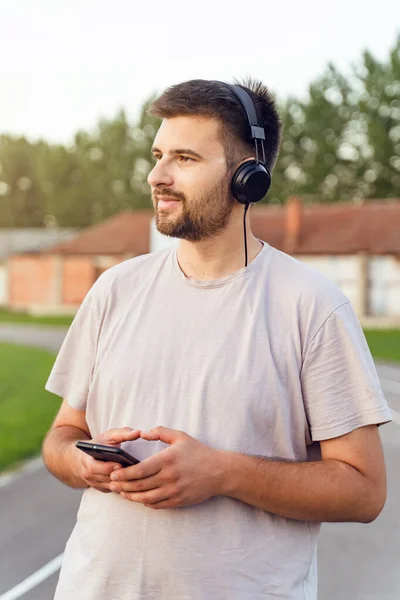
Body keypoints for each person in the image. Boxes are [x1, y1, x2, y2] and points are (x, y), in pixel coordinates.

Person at [42, 78, 391, 600]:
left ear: (247, 177)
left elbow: (364, 491)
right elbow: (61, 436)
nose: (156, 175)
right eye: (158, 154)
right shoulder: (115, 289)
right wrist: (81, 462)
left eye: (184, 158)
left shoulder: (311, 305)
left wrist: (222, 473)